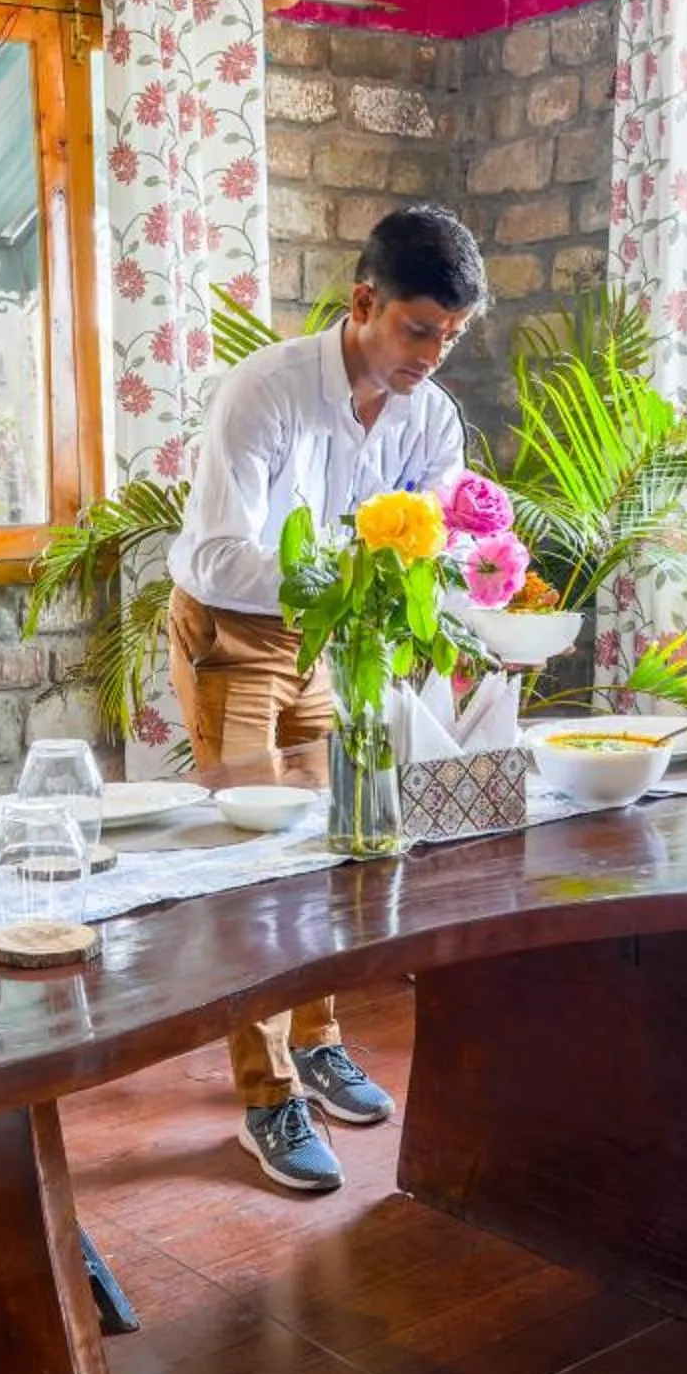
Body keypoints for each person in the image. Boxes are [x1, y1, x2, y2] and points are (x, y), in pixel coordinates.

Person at [164, 205, 483, 1194]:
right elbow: (218, 556)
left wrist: (417, 589)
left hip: (344, 640)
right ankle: (266, 1096)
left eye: (452, 336)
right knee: (255, 867)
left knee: (341, 844)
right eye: (417, 328)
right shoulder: (265, 390)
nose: (432, 354)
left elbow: (443, 541)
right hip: (238, 633)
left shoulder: (430, 414)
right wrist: (352, 570)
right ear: (363, 302)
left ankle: (319, 1040)